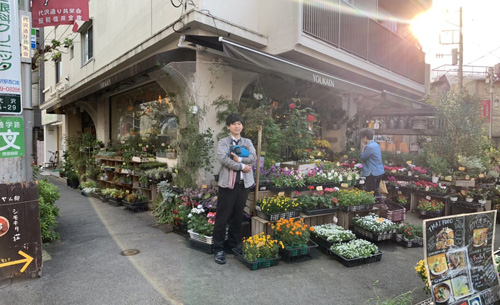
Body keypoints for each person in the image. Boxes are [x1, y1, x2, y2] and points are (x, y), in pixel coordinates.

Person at [213, 114, 257, 265]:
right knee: (223, 216)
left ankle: (232, 244)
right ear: (228, 126)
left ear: (242, 126)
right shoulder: (224, 142)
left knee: (238, 216)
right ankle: (218, 248)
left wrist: (241, 160)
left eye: (239, 123)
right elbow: (223, 159)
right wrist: (241, 167)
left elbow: (253, 157)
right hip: (228, 185)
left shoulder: (247, 142)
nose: (237, 126)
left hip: (243, 185)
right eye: (234, 124)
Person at [359, 128, 384, 198]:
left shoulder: (369, 147)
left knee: (370, 191)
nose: (362, 140)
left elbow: (362, 157)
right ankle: (381, 204)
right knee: (375, 190)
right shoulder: (376, 145)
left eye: (362, 138)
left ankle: (381, 204)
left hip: (372, 172)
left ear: (365, 137)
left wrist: (363, 148)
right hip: (378, 171)